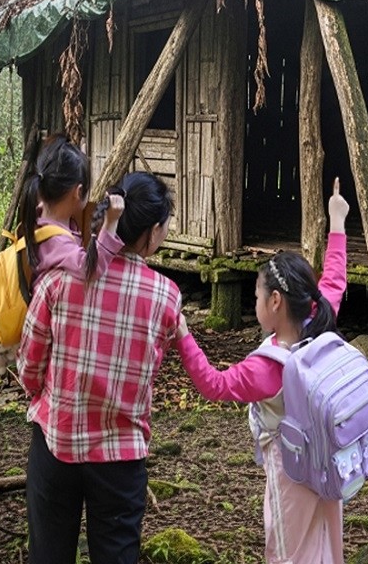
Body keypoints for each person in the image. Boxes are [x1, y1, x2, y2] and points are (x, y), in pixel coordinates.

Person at [174, 178, 350, 564]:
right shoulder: (319, 320)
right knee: (325, 540)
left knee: (288, 548)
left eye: (255, 295)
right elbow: (334, 279)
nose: (253, 302)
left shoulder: (268, 367)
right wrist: (337, 220)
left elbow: (214, 385)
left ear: (274, 301)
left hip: (292, 469)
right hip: (330, 462)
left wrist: (184, 335)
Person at [18, 171, 182, 564]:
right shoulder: (166, 297)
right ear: (152, 232)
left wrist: (48, 397)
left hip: (56, 444)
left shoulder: (58, 280)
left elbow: (29, 364)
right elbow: (149, 370)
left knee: (49, 554)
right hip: (121, 458)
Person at [0, 134, 124, 373]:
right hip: (42, 326)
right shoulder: (58, 241)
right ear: (78, 191)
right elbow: (91, 269)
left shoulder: (41, 218)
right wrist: (111, 224)